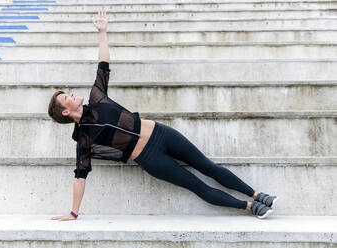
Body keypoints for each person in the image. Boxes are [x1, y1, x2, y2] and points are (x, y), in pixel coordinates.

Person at [48, 8, 278, 221]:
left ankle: (257, 194)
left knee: (209, 167)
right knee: (197, 186)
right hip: (150, 158)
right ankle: (249, 207)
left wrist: (103, 32)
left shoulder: (96, 97)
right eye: (66, 97)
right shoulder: (84, 138)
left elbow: (103, 63)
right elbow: (80, 176)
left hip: (162, 133)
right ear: (66, 112)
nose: (71, 94)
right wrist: (73, 212)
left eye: (68, 92)